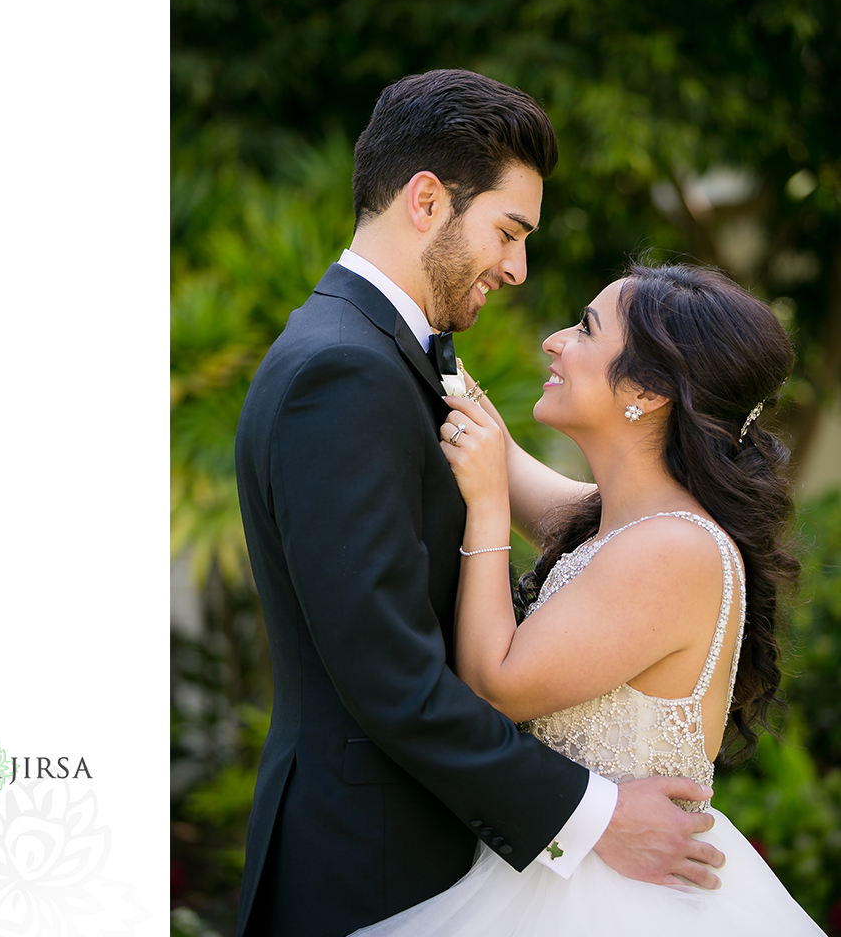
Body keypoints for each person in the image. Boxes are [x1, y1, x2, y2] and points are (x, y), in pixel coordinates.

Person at [234, 70, 723, 937]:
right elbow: (392, 677)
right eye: (508, 230)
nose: (517, 268)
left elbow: (593, 524)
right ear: (426, 200)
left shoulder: (400, 353)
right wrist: (597, 816)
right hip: (366, 869)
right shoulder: (342, 373)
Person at [351, 262, 826, 936]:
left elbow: (494, 686)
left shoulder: (675, 551)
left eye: (584, 329)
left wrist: (485, 507)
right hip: (560, 869)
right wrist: (411, 323)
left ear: (649, 388)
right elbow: (501, 453)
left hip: (612, 902)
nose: (553, 339)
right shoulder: (624, 520)